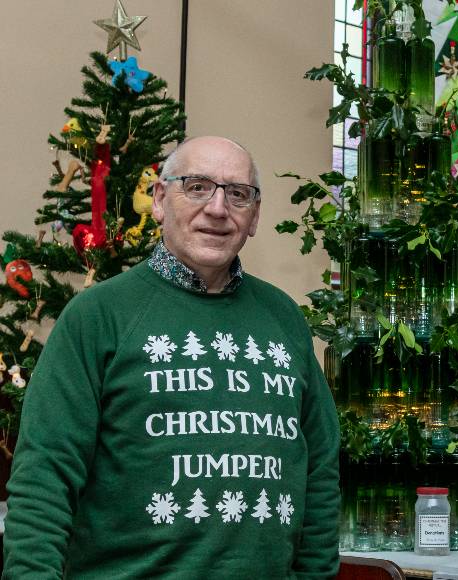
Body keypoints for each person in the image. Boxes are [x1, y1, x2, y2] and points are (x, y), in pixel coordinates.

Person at [3, 136, 340, 578]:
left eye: (237, 194)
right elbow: (44, 476)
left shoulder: (284, 318)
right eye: (197, 186)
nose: (218, 208)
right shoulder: (97, 315)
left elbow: (320, 466)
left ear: (254, 216)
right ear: (160, 200)